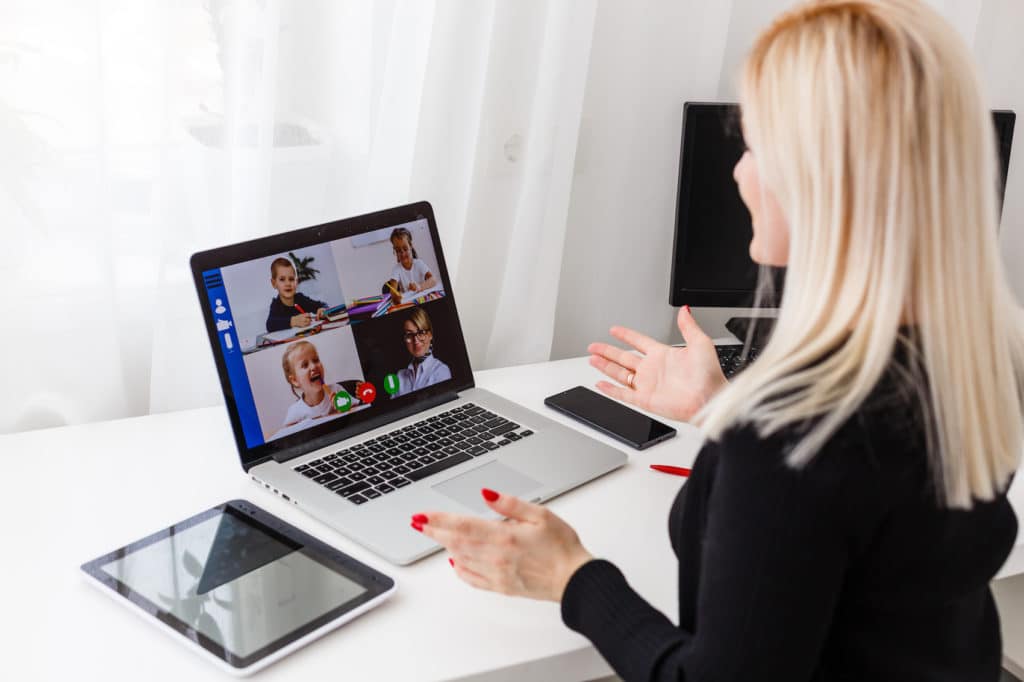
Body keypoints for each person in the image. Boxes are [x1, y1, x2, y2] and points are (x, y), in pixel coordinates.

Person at [409, 1, 1024, 679]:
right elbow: (865, 539)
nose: (739, 173)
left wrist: (571, 576)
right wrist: (723, 408)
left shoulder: (793, 438)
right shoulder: (969, 361)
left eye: (757, 147)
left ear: (824, 183)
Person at [280, 340, 355, 426]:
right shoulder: (295, 411)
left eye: (316, 360)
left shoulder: (337, 390)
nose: (313, 366)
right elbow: (286, 433)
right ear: (295, 380)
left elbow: (357, 410)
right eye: (305, 365)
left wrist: (344, 410)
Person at [393, 307, 451, 397]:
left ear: (430, 334)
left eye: (421, 332)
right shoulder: (399, 376)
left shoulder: (441, 371)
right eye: (409, 335)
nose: (416, 340)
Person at [266, 257, 327, 332]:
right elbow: (270, 324)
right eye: (282, 279)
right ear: (274, 283)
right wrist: (293, 321)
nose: (288, 283)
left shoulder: (300, 298)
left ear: (296, 282)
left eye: (291, 279)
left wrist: (322, 310)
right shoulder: (276, 304)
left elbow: (322, 305)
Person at [383, 227, 437, 304]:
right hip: (410, 303)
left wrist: (419, 287)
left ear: (410, 246)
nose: (402, 253)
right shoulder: (396, 269)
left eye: (405, 249)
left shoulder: (419, 263)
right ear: (394, 251)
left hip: (424, 299)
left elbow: (433, 280)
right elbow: (393, 291)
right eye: (398, 250)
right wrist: (396, 296)